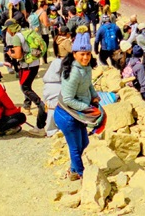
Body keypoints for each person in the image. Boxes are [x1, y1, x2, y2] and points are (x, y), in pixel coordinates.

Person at [55, 37, 99, 181]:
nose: (85, 57)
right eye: (82, 54)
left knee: (84, 143)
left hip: (78, 114)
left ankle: (74, 170)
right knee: (75, 147)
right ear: (74, 54)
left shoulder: (86, 68)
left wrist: (94, 96)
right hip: (67, 115)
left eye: (88, 54)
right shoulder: (73, 73)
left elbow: (88, 84)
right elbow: (68, 99)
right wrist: (87, 109)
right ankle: (81, 174)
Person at [3, 19, 47, 129]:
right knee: (27, 86)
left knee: (25, 88)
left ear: (10, 29)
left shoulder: (17, 37)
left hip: (27, 66)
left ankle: (40, 105)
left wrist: (10, 53)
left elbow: (18, 55)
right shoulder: (26, 31)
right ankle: (28, 106)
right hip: (35, 63)